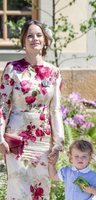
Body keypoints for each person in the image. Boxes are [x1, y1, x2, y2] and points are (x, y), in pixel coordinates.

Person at [0, 20, 64, 199]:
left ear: (45, 40)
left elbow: (55, 110)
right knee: (18, 189)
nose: (34, 38)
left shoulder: (54, 72)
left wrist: (58, 142)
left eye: (38, 35)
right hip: (16, 140)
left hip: (43, 142)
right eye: (30, 35)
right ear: (23, 40)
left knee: (40, 190)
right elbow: (2, 104)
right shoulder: (12, 69)